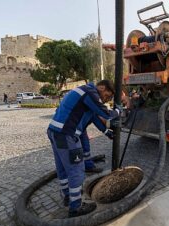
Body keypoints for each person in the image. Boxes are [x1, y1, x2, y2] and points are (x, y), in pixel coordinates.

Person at [47, 80, 121, 218]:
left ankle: (67, 197)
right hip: (66, 134)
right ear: (101, 87)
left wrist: (106, 132)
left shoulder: (83, 92)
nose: (105, 99)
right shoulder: (89, 92)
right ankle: (76, 207)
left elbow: (94, 117)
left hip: (55, 131)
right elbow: (106, 114)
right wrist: (118, 110)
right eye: (107, 95)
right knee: (76, 169)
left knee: (63, 167)